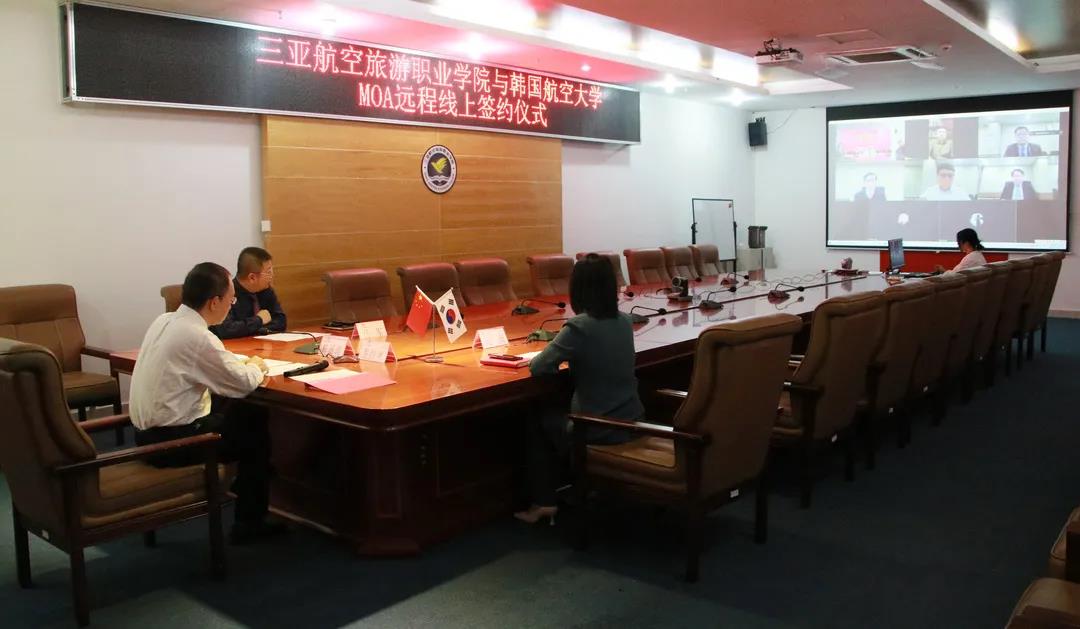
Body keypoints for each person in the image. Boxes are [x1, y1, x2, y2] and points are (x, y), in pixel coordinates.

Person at [129, 262, 286, 544]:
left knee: (242, 412)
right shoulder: (198, 336)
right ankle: (249, 521)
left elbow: (210, 366)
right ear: (214, 302)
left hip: (144, 435)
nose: (232, 305)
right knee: (254, 424)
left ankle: (248, 484)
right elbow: (243, 383)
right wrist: (257, 365)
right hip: (172, 443)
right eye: (231, 300)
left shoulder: (165, 321)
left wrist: (237, 366)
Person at [515, 254, 644, 525]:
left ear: (578, 290)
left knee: (537, 417)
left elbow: (539, 367)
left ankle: (544, 502)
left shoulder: (579, 327)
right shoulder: (624, 321)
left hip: (595, 429)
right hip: (630, 421)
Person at [210, 246, 287, 339]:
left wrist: (254, 329)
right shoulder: (225, 293)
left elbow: (281, 321)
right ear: (252, 277)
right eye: (268, 272)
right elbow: (227, 329)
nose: (272, 275)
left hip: (262, 344)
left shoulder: (266, 290)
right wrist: (259, 320)